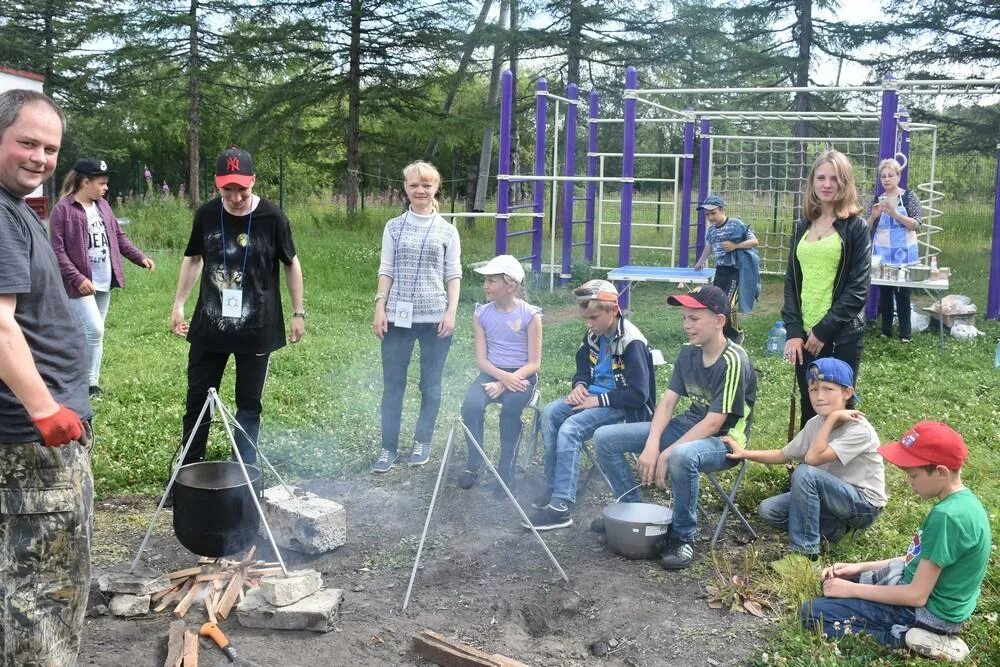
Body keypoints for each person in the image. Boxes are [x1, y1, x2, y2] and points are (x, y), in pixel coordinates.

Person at [0, 89, 93, 666]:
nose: (39, 157)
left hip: (37, 439)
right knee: (41, 598)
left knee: (27, 587)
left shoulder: (18, 209)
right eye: (26, 142)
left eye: (50, 147)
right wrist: (45, 410)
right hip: (31, 444)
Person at [595, 285, 756, 569]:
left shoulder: (733, 359)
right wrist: (652, 443)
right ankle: (635, 510)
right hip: (688, 427)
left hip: (725, 442)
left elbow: (715, 421)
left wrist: (667, 452)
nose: (686, 325)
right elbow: (668, 403)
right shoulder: (687, 353)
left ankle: (683, 537)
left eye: (694, 318)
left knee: (682, 456)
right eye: (684, 318)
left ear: (720, 321)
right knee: (605, 438)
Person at [802, 421, 991, 663]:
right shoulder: (963, 503)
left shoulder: (947, 517)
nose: (908, 481)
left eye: (913, 475)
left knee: (812, 614)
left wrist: (850, 590)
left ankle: (910, 638)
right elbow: (917, 560)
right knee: (833, 582)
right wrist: (858, 568)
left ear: (941, 472)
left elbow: (916, 596)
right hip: (925, 593)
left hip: (927, 613)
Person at [171, 147, 304, 469]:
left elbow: (291, 263)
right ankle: (189, 468)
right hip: (210, 325)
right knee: (198, 400)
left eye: (241, 189)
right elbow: (193, 259)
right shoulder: (205, 214)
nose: (235, 197)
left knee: (249, 404)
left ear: (253, 181)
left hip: (258, 326)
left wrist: (298, 313)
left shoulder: (272, 217)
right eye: (227, 189)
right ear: (217, 185)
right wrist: (178, 304)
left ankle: (245, 471)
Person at [724, 358, 885, 558]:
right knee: (769, 510)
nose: (819, 397)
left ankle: (805, 554)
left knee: (806, 473)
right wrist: (744, 453)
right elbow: (784, 454)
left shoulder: (859, 429)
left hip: (863, 505)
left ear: (847, 392)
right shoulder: (815, 423)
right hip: (830, 499)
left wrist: (833, 418)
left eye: (828, 389)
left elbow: (813, 459)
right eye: (813, 389)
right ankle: (835, 530)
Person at [526, 279, 654, 531]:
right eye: (585, 318)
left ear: (613, 309)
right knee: (550, 413)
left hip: (624, 406)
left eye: (594, 317)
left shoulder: (632, 342)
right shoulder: (594, 335)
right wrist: (580, 386)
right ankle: (555, 487)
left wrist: (597, 400)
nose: (589, 324)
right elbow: (583, 368)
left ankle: (561, 506)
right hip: (593, 397)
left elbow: (640, 394)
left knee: (571, 428)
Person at [372, 160, 461, 473]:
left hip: (435, 319)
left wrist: (451, 311)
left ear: (436, 188)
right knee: (393, 385)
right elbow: (387, 269)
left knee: (430, 385)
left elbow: (453, 274)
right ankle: (388, 447)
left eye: (426, 185)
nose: (420, 190)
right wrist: (380, 307)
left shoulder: (448, 230)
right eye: (414, 185)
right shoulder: (393, 227)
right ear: (405, 189)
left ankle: (422, 441)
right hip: (398, 318)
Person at [49, 158, 156, 398]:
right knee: (94, 330)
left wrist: (140, 258)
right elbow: (57, 250)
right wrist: (77, 278)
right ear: (85, 182)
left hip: (104, 281)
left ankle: (91, 384)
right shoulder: (63, 210)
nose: (106, 188)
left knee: (94, 332)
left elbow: (119, 237)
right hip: (79, 285)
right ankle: (82, 382)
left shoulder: (103, 207)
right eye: (102, 183)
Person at [782, 149, 870, 428]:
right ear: (812, 183)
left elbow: (858, 288)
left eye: (834, 178)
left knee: (838, 409)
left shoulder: (856, 227)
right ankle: (808, 466)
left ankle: (840, 468)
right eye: (821, 177)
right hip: (804, 336)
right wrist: (795, 332)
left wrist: (823, 330)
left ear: (845, 183)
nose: (827, 184)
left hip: (840, 334)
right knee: (811, 405)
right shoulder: (802, 227)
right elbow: (791, 282)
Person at [457, 255, 542, 491]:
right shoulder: (481, 314)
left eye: (492, 281)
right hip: (492, 372)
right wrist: (501, 378)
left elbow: (534, 363)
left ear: (510, 286)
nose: (485, 286)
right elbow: (482, 361)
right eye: (486, 280)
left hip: (523, 374)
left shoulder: (531, 316)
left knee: (511, 409)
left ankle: (506, 471)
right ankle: (475, 463)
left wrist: (504, 384)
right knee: (471, 405)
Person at [867, 158, 923, 342]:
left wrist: (895, 214)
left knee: (903, 293)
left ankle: (905, 334)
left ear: (898, 176)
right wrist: (873, 217)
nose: (887, 179)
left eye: (891, 175)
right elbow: (866, 228)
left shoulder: (908, 197)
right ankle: (886, 331)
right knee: (884, 294)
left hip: (904, 254)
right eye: (883, 176)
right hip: (883, 254)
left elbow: (916, 224)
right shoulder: (877, 199)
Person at [693, 194, 759, 342]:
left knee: (727, 304)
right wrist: (701, 260)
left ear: (722, 210)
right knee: (716, 303)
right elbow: (709, 247)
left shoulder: (736, 224)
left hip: (735, 270)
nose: (710, 217)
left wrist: (736, 245)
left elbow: (754, 241)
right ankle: (722, 334)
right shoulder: (711, 231)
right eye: (707, 214)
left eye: (713, 213)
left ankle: (736, 333)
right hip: (721, 270)